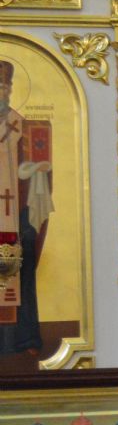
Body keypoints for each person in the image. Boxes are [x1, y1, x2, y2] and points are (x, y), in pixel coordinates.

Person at [0, 58, 54, 356]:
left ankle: (24, 339)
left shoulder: (22, 126)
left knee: (22, 266)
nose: (1, 90)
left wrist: (38, 169)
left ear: (10, 90)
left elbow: (35, 171)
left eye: (5, 86)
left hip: (16, 213)